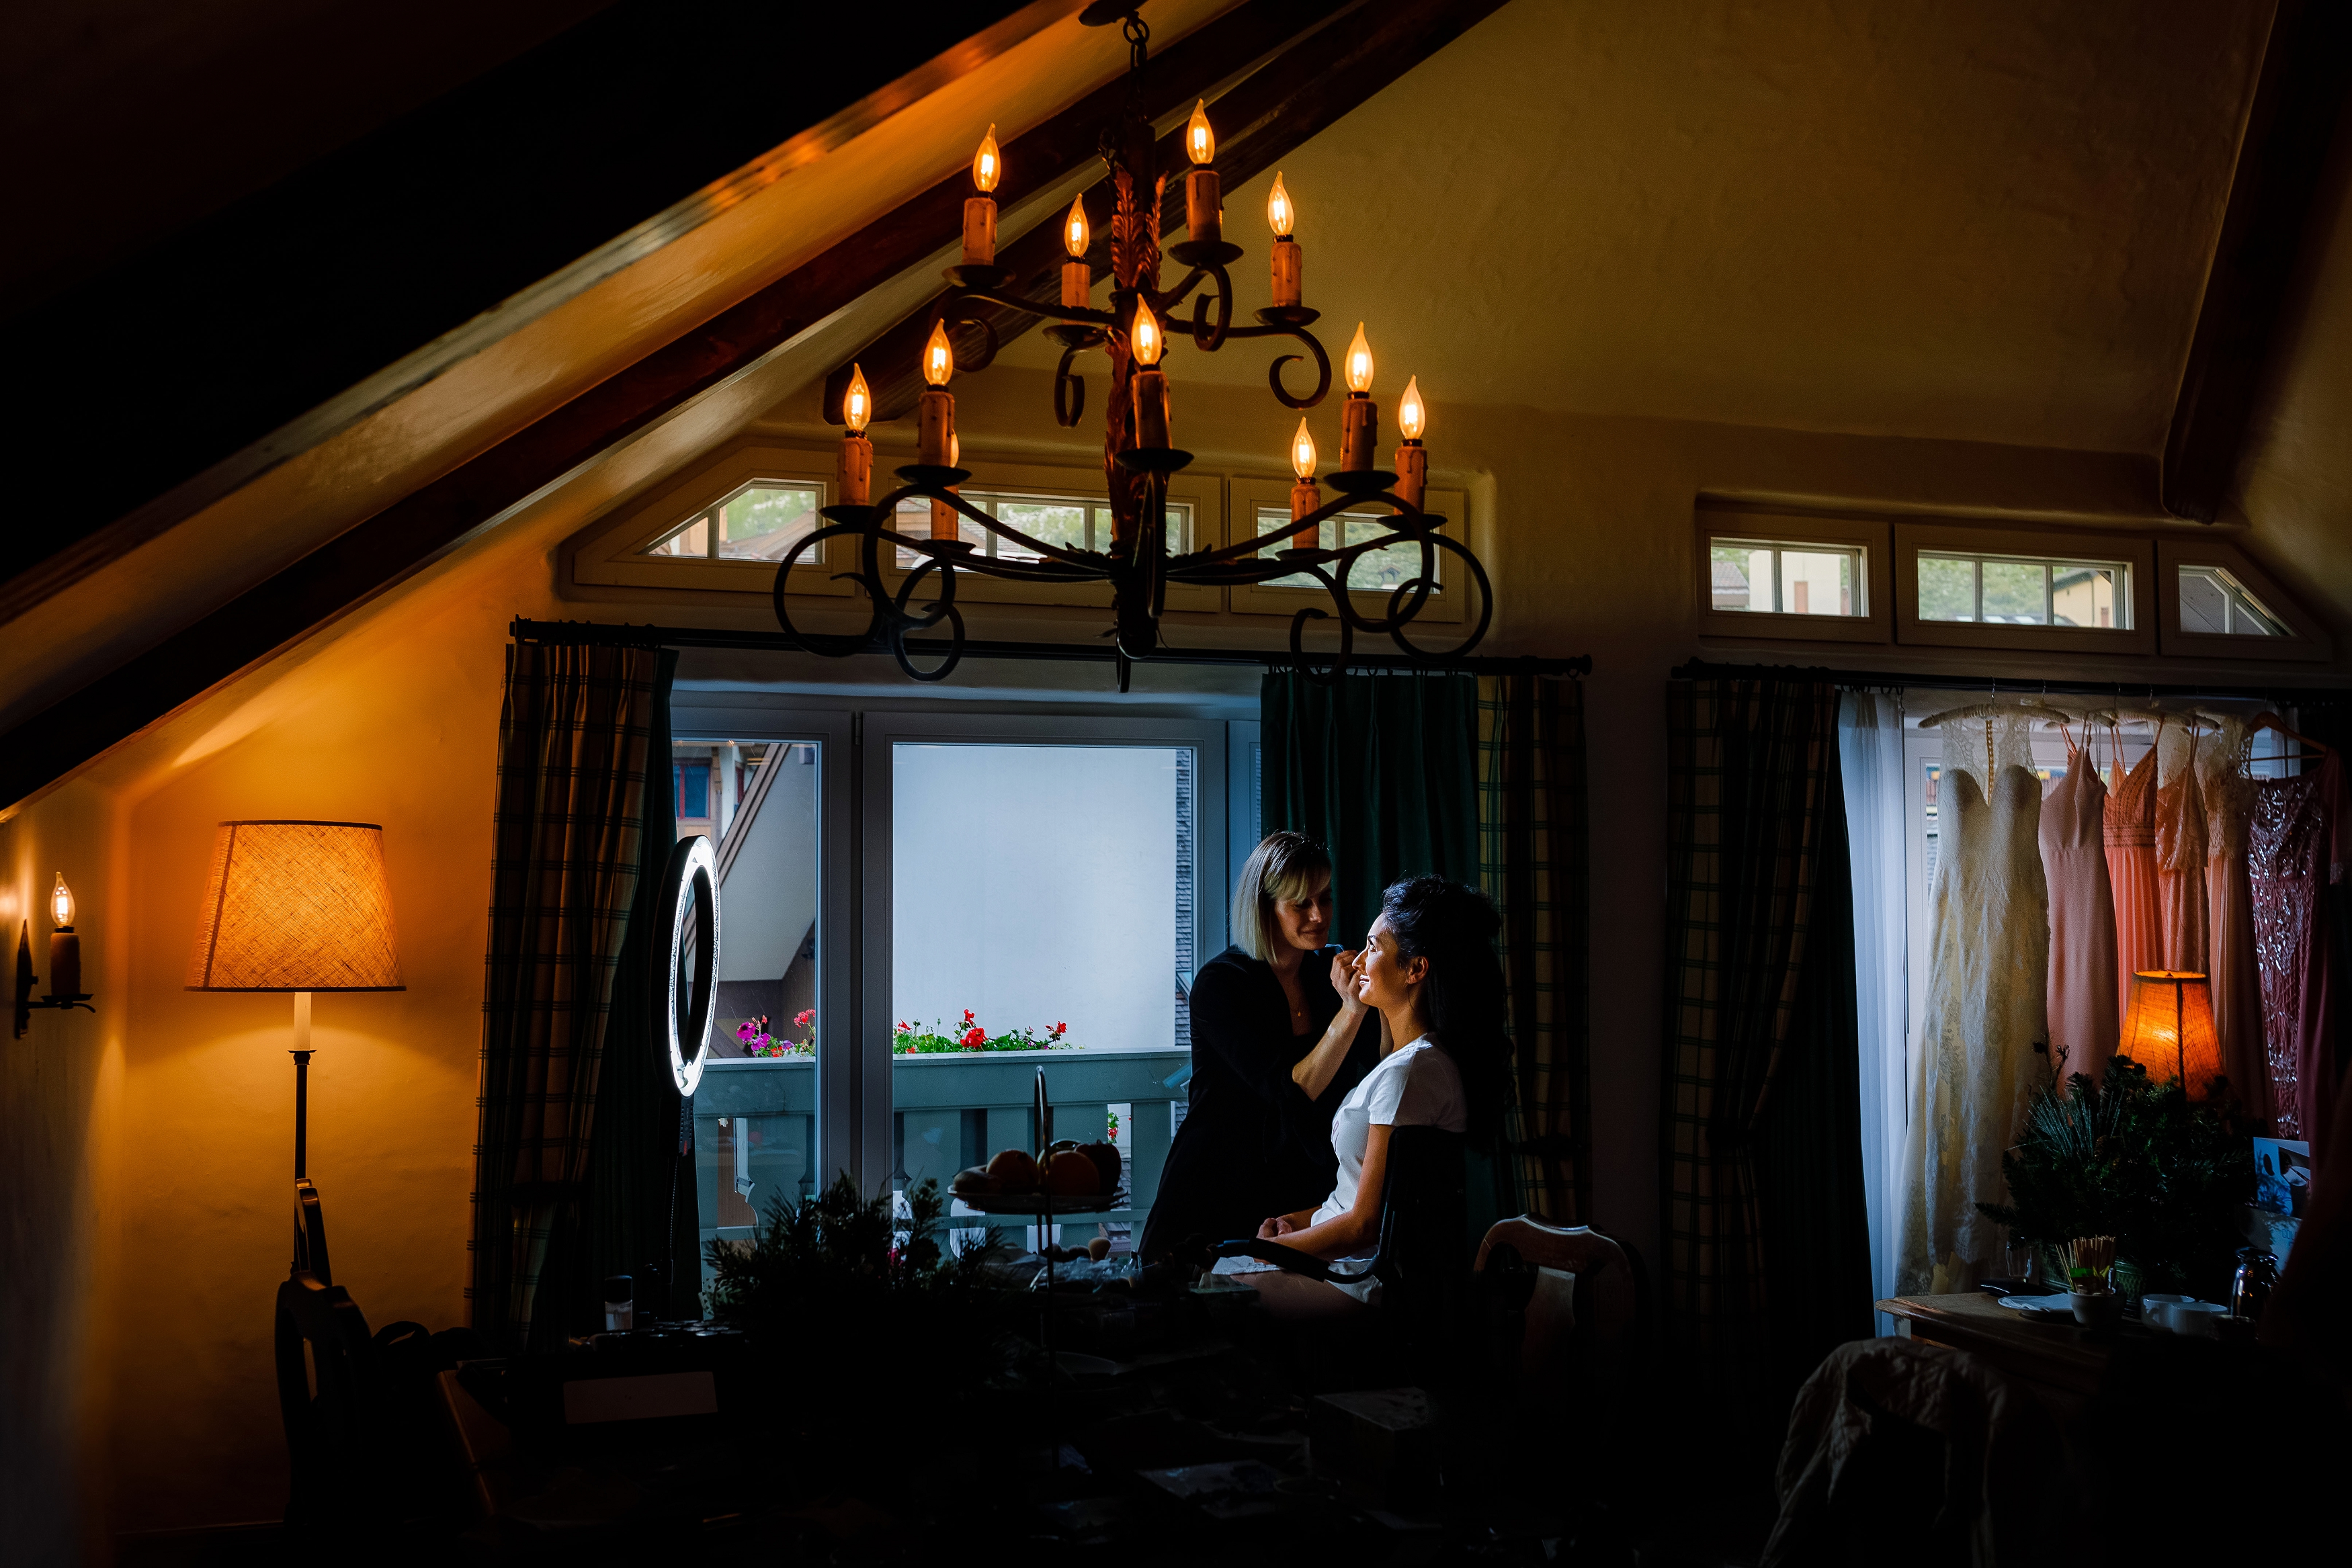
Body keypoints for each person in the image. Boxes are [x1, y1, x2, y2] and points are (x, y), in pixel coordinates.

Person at [1236, 875, 1509, 1304]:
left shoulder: (1412, 1071)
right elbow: (1355, 1199)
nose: (1358, 960)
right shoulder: (1406, 1064)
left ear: (1416, 968)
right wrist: (1300, 1221)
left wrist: (1264, 1252)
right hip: (1341, 1266)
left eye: (1374, 947)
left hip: (1357, 1281)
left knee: (1214, 1298)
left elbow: (1366, 1223)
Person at [1139, 832, 1379, 1262]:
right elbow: (1288, 1092)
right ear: (1265, 908)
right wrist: (1352, 1011)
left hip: (1300, 1189)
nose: (1319, 914)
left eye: (1325, 898)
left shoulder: (1330, 973)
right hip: (1215, 1185)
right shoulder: (1221, 984)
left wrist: (1386, 990)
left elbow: (1381, 1062)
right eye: (1301, 904)